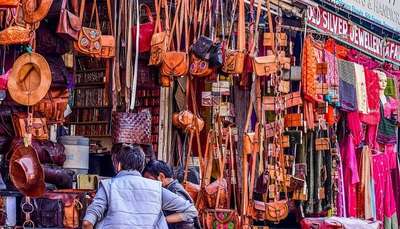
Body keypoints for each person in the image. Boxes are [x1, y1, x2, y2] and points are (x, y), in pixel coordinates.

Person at [82, 145, 198, 229]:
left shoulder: (108, 186)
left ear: (118, 165)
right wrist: (161, 221)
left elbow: (87, 223)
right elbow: (191, 210)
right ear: (141, 167)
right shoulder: (156, 188)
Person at [143, 160, 201, 229]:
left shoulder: (175, 191)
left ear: (161, 176)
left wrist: (162, 221)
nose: (147, 184)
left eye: (150, 180)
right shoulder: (171, 188)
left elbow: (189, 218)